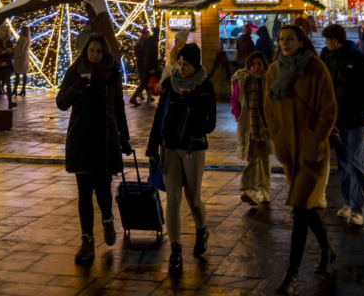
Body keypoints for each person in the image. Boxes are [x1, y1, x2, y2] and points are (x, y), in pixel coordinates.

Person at [264, 25, 337, 295]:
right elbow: (268, 108)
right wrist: (278, 137)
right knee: (304, 207)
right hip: (289, 153)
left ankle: (291, 276)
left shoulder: (316, 69)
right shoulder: (273, 71)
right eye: (281, 39)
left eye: (290, 39)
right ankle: (327, 250)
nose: (284, 43)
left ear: (300, 41)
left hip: (313, 153)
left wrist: (316, 138)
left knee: (298, 210)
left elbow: (329, 109)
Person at [56, 33, 131, 264]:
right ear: (86, 52)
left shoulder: (112, 74)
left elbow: (118, 106)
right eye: (92, 51)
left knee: (103, 189)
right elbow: (61, 102)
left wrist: (125, 139)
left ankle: (107, 219)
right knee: (84, 192)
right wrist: (77, 87)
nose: (96, 55)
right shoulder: (76, 71)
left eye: (99, 51)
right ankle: (87, 240)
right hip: (81, 139)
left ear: (104, 52)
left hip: (105, 139)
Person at [146, 42, 216, 274]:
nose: (181, 68)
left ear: (196, 66)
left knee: (193, 198)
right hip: (170, 148)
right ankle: (175, 249)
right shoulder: (169, 85)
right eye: (180, 63)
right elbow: (159, 117)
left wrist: (191, 101)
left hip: (193, 148)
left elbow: (209, 124)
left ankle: (201, 228)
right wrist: (151, 148)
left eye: (186, 65)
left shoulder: (205, 88)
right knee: (173, 198)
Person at [320, 23, 364, 225]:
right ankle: (347, 202)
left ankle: (357, 209)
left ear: (336, 41)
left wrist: (359, 108)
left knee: (357, 163)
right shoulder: (326, 59)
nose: (326, 44)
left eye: (328, 41)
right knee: (342, 164)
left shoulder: (359, 59)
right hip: (337, 120)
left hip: (356, 120)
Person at [231, 50, 271, 205]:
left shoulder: (269, 79)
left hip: (266, 124)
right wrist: (237, 114)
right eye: (253, 64)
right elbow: (235, 99)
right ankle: (248, 188)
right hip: (250, 123)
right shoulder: (242, 80)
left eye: (259, 64)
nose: (256, 67)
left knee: (265, 157)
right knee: (252, 157)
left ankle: (263, 189)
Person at [130, 27, 159, 105]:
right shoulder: (150, 42)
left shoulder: (149, 41)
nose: (147, 34)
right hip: (145, 65)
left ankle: (136, 97)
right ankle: (146, 96)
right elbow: (151, 55)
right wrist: (152, 66)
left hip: (146, 65)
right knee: (145, 81)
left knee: (144, 82)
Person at [0, 23, 15, 109]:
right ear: (1, 32)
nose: (6, 32)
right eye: (4, 31)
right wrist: (2, 52)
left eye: (7, 31)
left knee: (8, 84)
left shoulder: (10, 42)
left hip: (6, 65)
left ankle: (10, 102)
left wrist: (11, 53)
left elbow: (13, 53)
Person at [13, 25, 31, 96]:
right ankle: (23, 89)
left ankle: (15, 89)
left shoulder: (22, 38)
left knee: (17, 74)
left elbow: (20, 49)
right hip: (25, 57)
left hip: (20, 58)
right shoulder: (28, 38)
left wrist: (16, 55)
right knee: (24, 74)